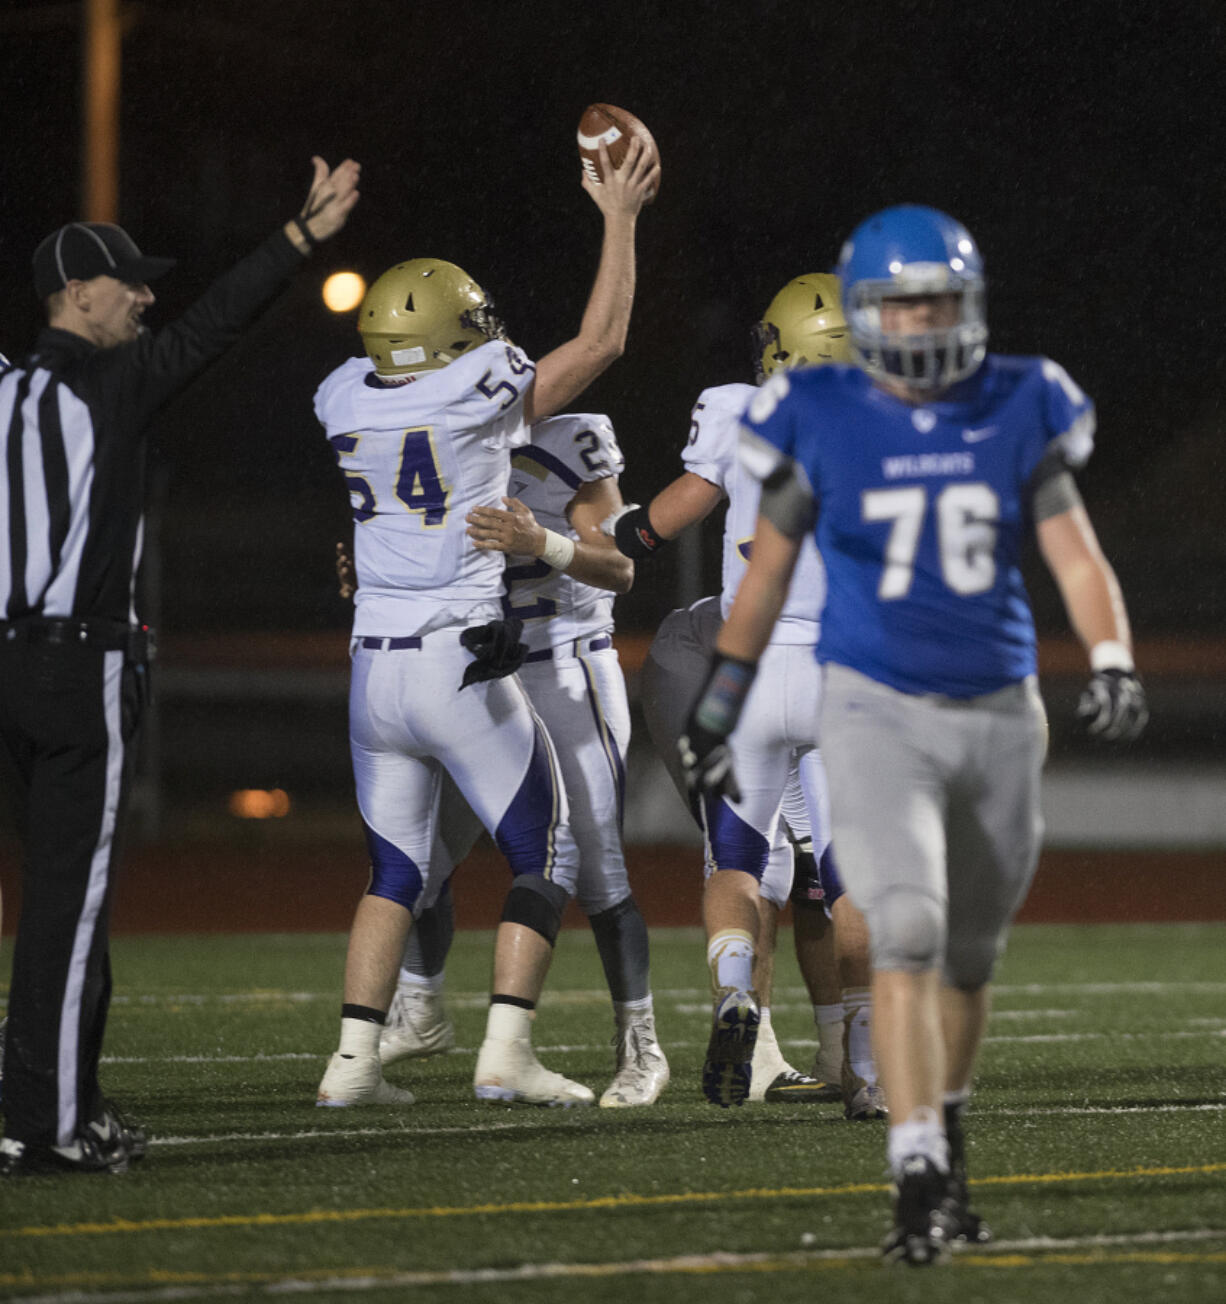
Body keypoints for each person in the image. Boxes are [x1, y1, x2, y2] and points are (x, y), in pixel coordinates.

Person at [679, 205, 1148, 1263]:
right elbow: (760, 576)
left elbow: (1072, 550)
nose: (921, 317)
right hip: (869, 701)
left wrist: (1109, 652)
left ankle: (944, 1125)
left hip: (995, 706)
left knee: (968, 959)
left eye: (937, 296)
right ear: (866, 314)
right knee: (900, 931)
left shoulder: (1021, 396)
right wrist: (717, 703)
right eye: (899, 299)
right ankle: (916, 1159)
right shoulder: (822, 411)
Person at [0, 157, 361, 1176]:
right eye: (129, 281)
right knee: (70, 907)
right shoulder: (104, 383)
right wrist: (298, 236)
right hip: (77, 669)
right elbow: (214, 328)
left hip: (11, 666)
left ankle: (59, 1097)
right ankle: (51, 1119)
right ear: (76, 293)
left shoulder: (9, 388)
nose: (148, 296)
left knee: (60, 904)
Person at [314, 136, 659, 1109]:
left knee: (396, 866)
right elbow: (598, 344)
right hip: (456, 657)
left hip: (368, 669)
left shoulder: (343, 397)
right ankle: (506, 1051)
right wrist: (621, 219)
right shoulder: (477, 393)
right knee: (543, 849)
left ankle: (352, 1064)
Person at [609, 275, 881, 1114]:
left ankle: (735, 992)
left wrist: (606, 535)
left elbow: (662, 520)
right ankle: (868, 1073)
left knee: (736, 861)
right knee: (854, 881)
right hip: (842, 678)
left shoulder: (732, 408)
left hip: (746, 672)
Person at [373, 410, 670, 1108]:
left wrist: (544, 543)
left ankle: (641, 1046)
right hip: (476, 671)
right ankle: (420, 1009)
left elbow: (621, 567)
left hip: (563, 668)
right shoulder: (436, 439)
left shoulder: (572, 437)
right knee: (419, 860)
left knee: (598, 871)